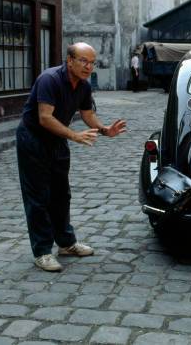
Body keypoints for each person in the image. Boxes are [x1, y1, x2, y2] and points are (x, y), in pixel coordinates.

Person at [16, 42, 127, 272]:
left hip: (58, 141)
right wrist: (74, 135)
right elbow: (45, 118)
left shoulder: (84, 86)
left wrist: (105, 130)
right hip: (33, 141)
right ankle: (42, 252)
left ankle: (66, 243)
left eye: (92, 62)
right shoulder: (50, 79)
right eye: (83, 61)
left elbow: (87, 114)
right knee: (38, 197)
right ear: (69, 61)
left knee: (61, 194)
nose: (89, 66)